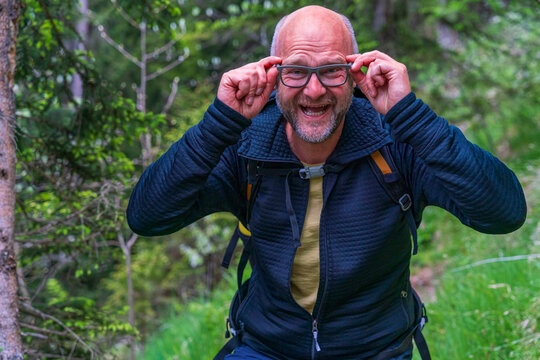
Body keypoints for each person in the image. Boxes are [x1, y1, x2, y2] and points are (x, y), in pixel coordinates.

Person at [126, 5, 526, 360]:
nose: (314, 91)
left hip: (377, 350)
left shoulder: (397, 144)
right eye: (297, 71)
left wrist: (411, 116)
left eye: (331, 70)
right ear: (274, 74)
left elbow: (504, 212)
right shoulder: (246, 149)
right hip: (265, 348)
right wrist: (219, 123)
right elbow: (147, 216)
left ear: (353, 74)